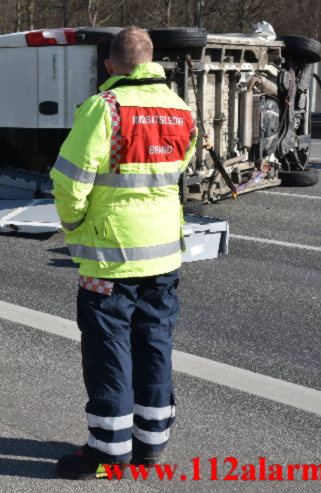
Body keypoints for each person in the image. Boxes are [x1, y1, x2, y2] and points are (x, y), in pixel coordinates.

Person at [50, 27, 197, 479]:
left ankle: (109, 454)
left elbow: (70, 182)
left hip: (110, 257)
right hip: (164, 255)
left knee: (109, 348)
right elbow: (179, 169)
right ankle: (151, 443)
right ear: (151, 62)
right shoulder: (180, 109)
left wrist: (75, 225)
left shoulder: (104, 108)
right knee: (155, 342)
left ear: (110, 65)